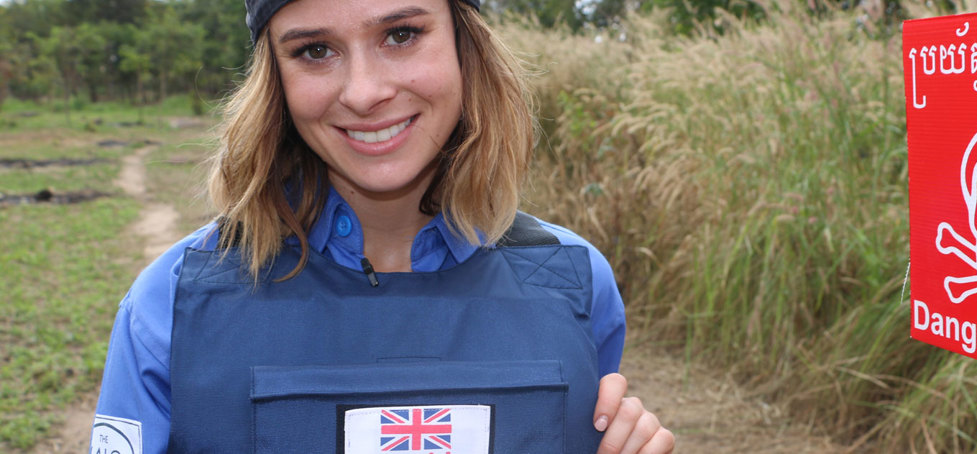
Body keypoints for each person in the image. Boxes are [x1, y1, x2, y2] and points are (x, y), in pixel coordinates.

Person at [88, 0, 674, 452]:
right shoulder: (169, 305)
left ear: (466, 47)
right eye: (315, 50)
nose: (365, 92)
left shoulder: (574, 282)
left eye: (401, 34)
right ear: (276, 80)